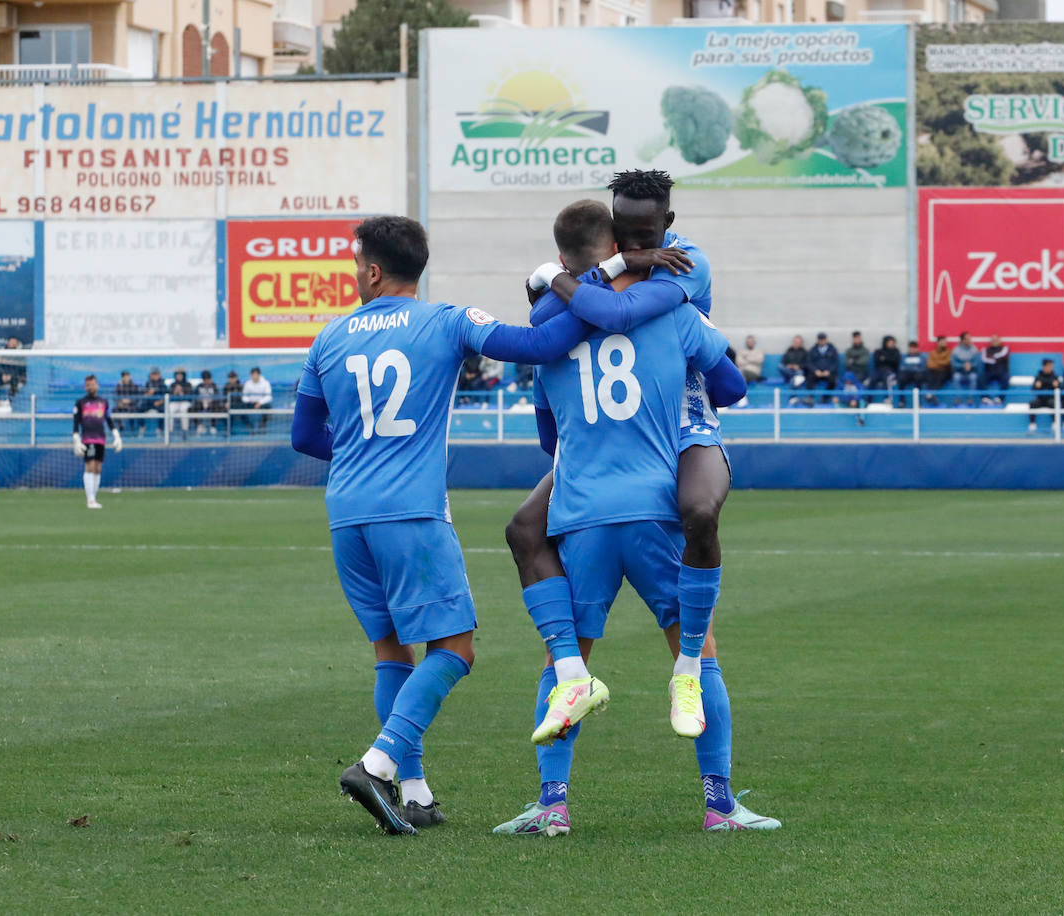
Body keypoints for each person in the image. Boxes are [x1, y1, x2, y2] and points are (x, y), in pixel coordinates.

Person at [289, 214, 596, 836]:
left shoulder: (329, 337)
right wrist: (597, 300)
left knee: (390, 649)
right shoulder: (448, 320)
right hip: (412, 511)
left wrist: (356, 453)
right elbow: (539, 346)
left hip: (347, 511)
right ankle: (377, 764)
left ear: (373, 270)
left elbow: (303, 436)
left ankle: (416, 792)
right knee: (455, 648)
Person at [500, 172, 779, 833]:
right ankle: (719, 806)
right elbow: (733, 385)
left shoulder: (552, 331)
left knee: (565, 661)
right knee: (699, 647)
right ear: (616, 238)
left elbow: (548, 435)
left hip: (583, 508)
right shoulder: (674, 309)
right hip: (656, 495)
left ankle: (552, 806)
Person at [72, 374, 122, 508]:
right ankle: (90, 499)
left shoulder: (103, 402)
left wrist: (116, 435)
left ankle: (94, 497)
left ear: (97, 385)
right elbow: (76, 422)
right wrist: (76, 439)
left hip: (101, 439)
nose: (91, 386)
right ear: (85, 386)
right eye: (88, 384)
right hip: (88, 439)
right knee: (90, 466)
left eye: (92, 384)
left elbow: (109, 420)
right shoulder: (80, 403)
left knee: (98, 468)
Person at [1028, 358, 1059, 433]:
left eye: (1052, 366)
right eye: (1049, 366)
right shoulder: (1038, 376)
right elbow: (1033, 389)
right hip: (1040, 399)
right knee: (1032, 403)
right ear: (1044, 366)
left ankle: (1055, 423)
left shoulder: (1055, 376)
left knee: (1054, 403)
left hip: (1050, 399)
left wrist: (1057, 386)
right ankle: (1032, 423)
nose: (1051, 368)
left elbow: (1059, 389)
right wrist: (1036, 386)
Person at [950, 332, 982, 406]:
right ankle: (959, 398)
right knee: (956, 377)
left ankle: (970, 398)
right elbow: (954, 364)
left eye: (969, 339)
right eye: (967, 339)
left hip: (970, 371)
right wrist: (963, 366)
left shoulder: (974, 349)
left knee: (973, 377)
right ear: (962, 340)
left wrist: (970, 365)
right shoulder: (956, 350)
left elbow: (976, 363)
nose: (969, 340)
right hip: (960, 371)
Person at [807, 332, 839, 401]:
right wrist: (815, 370)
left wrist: (829, 371)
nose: (821, 341)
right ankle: (810, 397)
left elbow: (836, 363)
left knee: (833, 380)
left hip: (828, 373)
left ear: (826, 340)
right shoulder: (813, 349)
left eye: (823, 339)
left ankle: (825, 398)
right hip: (816, 373)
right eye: (820, 339)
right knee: (810, 378)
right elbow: (809, 362)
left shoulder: (832, 349)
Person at [241, 366, 273, 433]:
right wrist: (249, 400)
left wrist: (260, 402)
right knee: (241, 410)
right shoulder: (247, 384)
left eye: (256, 374)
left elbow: (269, 397)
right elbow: (244, 397)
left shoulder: (265, 383)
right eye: (253, 375)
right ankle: (249, 427)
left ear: (259, 375)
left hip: (261, 404)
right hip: (251, 403)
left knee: (268, 408)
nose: (254, 376)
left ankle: (262, 424)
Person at [868, 335, 901, 400]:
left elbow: (895, 361)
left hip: (890, 371)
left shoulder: (896, 351)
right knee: (872, 379)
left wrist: (885, 359)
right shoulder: (878, 351)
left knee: (888, 379)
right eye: (890, 342)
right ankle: (868, 399)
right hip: (879, 370)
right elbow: (877, 360)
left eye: (893, 343)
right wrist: (889, 359)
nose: (891, 344)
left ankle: (887, 398)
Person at [982, 335, 1010, 403]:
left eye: (996, 339)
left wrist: (992, 357)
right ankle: (986, 397)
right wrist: (995, 359)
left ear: (999, 340)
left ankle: (1000, 398)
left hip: (1002, 371)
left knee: (1006, 378)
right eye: (993, 340)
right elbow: (984, 359)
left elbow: (1003, 354)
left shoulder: (1005, 348)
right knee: (980, 378)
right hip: (989, 371)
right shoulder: (986, 350)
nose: (994, 341)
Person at [193, 370, 221, 435]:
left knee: (215, 407)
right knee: (191, 409)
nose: (207, 381)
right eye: (205, 379)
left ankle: (213, 426)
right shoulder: (199, 386)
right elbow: (194, 396)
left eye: (208, 379)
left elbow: (217, 397)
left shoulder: (214, 386)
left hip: (211, 404)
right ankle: (199, 426)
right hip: (201, 404)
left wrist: (210, 401)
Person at [167, 368, 193, 438]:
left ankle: (185, 430)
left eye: (180, 375)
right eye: (177, 375)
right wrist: (175, 392)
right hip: (175, 402)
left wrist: (181, 392)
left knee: (183, 409)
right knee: (170, 408)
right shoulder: (172, 384)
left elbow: (190, 397)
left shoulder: (188, 384)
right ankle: (169, 431)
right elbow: (170, 397)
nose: (179, 376)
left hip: (185, 402)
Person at [113, 370, 141, 434]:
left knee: (134, 410)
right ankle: (120, 426)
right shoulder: (119, 386)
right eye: (124, 376)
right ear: (122, 377)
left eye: (127, 376)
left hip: (132, 405)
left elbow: (137, 398)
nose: (126, 378)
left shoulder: (134, 386)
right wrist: (121, 402)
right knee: (114, 410)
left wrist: (130, 401)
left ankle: (132, 427)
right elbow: (116, 397)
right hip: (122, 405)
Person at [925, 336, 952, 402]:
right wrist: (940, 363)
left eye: (945, 342)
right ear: (938, 343)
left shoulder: (949, 352)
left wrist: (936, 362)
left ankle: (931, 394)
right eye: (942, 342)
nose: (944, 343)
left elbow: (947, 362)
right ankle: (931, 394)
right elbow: (930, 364)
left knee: (940, 374)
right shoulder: (932, 352)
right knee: (930, 374)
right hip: (934, 372)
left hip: (946, 372)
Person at [142, 367, 168, 436]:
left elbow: (166, 396)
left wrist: (160, 402)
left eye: (156, 374)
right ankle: (142, 427)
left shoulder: (163, 385)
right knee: (139, 408)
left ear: (159, 375)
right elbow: (144, 396)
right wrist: (148, 394)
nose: (154, 376)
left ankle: (160, 429)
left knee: (164, 410)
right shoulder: (148, 384)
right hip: (149, 404)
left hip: (159, 404)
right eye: (153, 374)